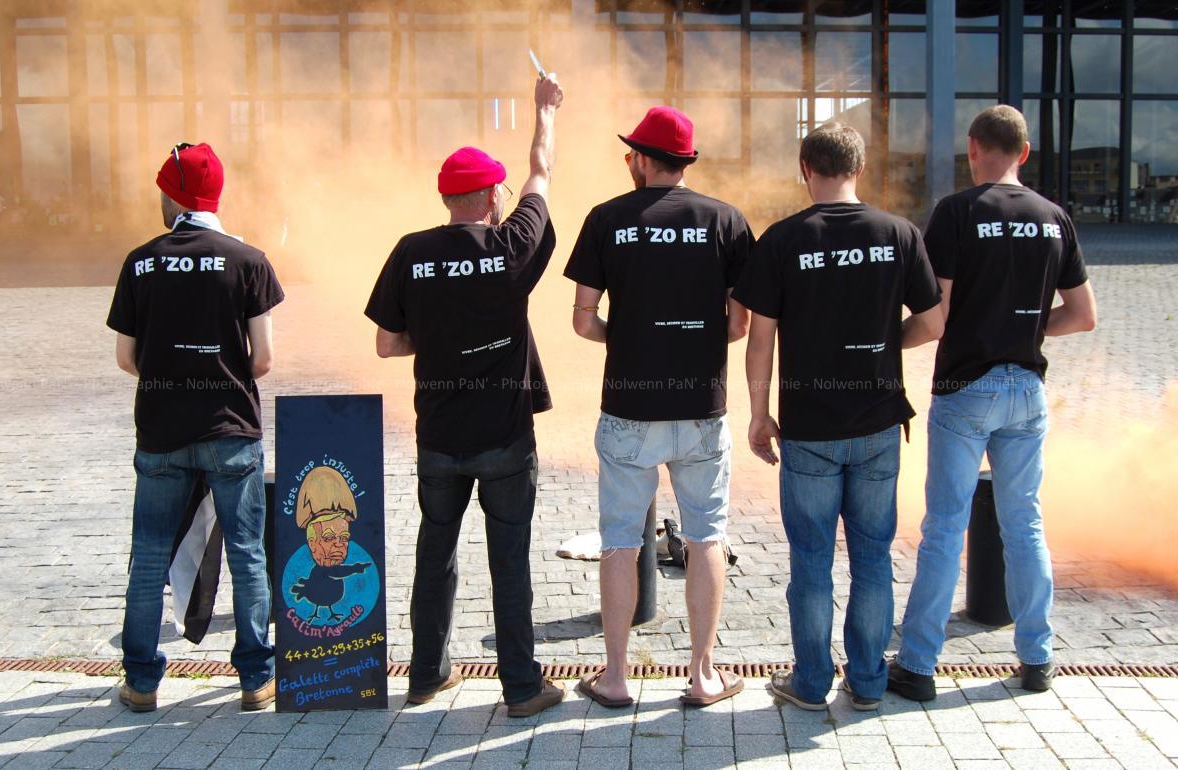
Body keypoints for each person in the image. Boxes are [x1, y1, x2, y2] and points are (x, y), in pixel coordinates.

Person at [364, 73, 565, 718]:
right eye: (497, 192)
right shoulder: (510, 246)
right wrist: (545, 109)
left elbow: (388, 346)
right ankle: (522, 688)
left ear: (448, 197)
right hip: (505, 436)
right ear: (487, 196)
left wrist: (442, 337)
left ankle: (426, 675)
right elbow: (541, 172)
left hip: (440, 439)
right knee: (510, 560)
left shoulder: (410, 251)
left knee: (435, 551)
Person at [889, 105, 1097, 700]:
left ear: (974, 148)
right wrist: (1024, 333)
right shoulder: (1055, 218)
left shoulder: (957, 213)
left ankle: (920, 666)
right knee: (1024, 523)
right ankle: (1037, 659)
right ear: (1025, 154)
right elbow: (1084, 316)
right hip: (1026, 392)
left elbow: (937, 317)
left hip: (965, 391)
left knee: (944, 529)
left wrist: (886, 351)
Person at [734, 123, 944, 711]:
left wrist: (759, 414)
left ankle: (809, 684)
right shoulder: (899, 234)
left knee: (811, 561)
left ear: (806, 169)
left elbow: (760, 342)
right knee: (873, 559)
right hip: (879, 426)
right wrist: (884, 343)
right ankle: (871, 683)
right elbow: (932, 323)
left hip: (810, 429)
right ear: (859, 168)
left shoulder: (780, 240)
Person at [565, 106, 753, 708]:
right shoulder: (724, 220)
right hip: (701, 406)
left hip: (628, 407)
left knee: (621, 542)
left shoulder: (605, 219)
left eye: (631, 155)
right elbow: (739, 324)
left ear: (643, 160)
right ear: (686, 161)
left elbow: (582, 319)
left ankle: (616, 676)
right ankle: (702, 676)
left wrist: (624, 337)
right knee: (706, 538)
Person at [107, 142, 283, 713]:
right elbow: (263, 360)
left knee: (150, 556)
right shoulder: (248, 260)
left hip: (160, 432)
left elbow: (125, 358)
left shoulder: (140, 261)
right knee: (247, 553)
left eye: (162, 190)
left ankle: (141, 681)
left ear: (174, 196)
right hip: (231, 429)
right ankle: (256, 679)